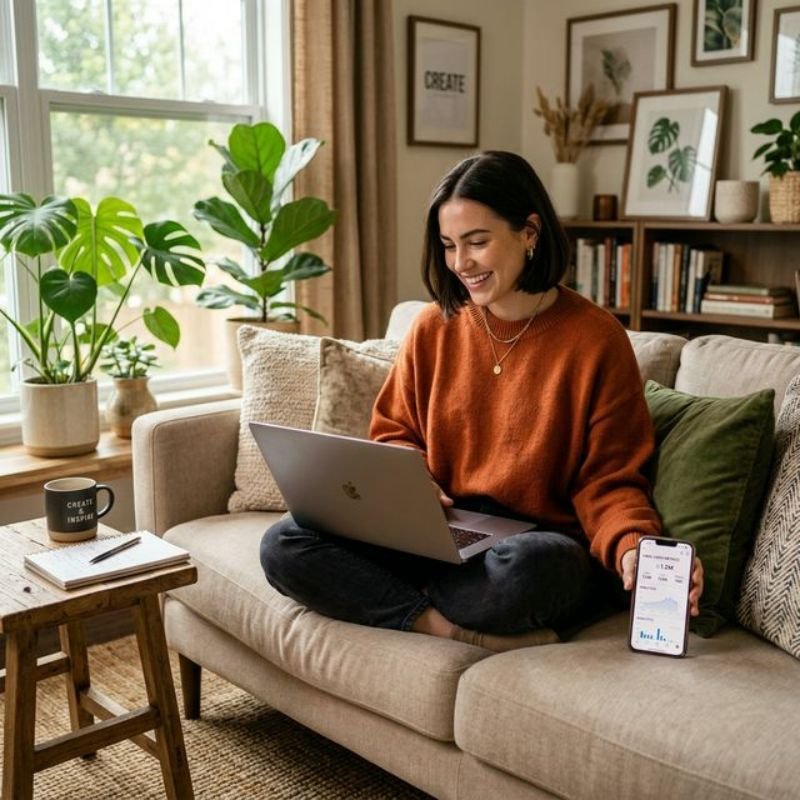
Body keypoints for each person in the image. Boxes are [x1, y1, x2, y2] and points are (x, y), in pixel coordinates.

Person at [261, 150, 704, 651]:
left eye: (477, 242)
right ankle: (442, 625)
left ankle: (394, 597)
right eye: (449, 245)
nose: (460, 264)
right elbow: (395, 433)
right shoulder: (433, 326)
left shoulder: (596, 339)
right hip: (440, 532)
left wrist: (632, 547)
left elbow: (610, 478)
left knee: (537, 570)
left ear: (529, 232)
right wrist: (414, 485)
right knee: (285, 542)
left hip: (531, 544)